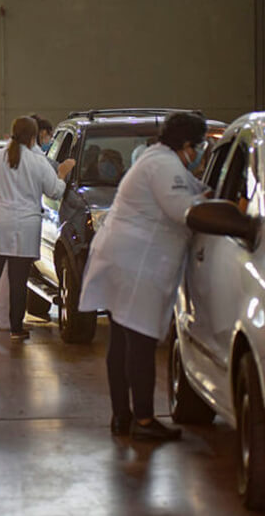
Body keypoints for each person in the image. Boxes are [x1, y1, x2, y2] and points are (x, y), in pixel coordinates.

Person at [79, 111, 210, 442]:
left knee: (123, 340)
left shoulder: (157, 160)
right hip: (136, 264)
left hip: (124, 258)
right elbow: (186, 211)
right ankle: (144, 420)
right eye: (199, 146)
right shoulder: (164, 165)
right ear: (186, 144)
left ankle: (123, 415)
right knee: (139, 341)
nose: (199, 154)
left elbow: (192, 193)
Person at [0, 116, 75, 341]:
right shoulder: (39, 162)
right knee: (18, 281)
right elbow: (55, 192)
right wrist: (63, 174)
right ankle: (17, 328)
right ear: (34, 137)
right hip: (25, 228)